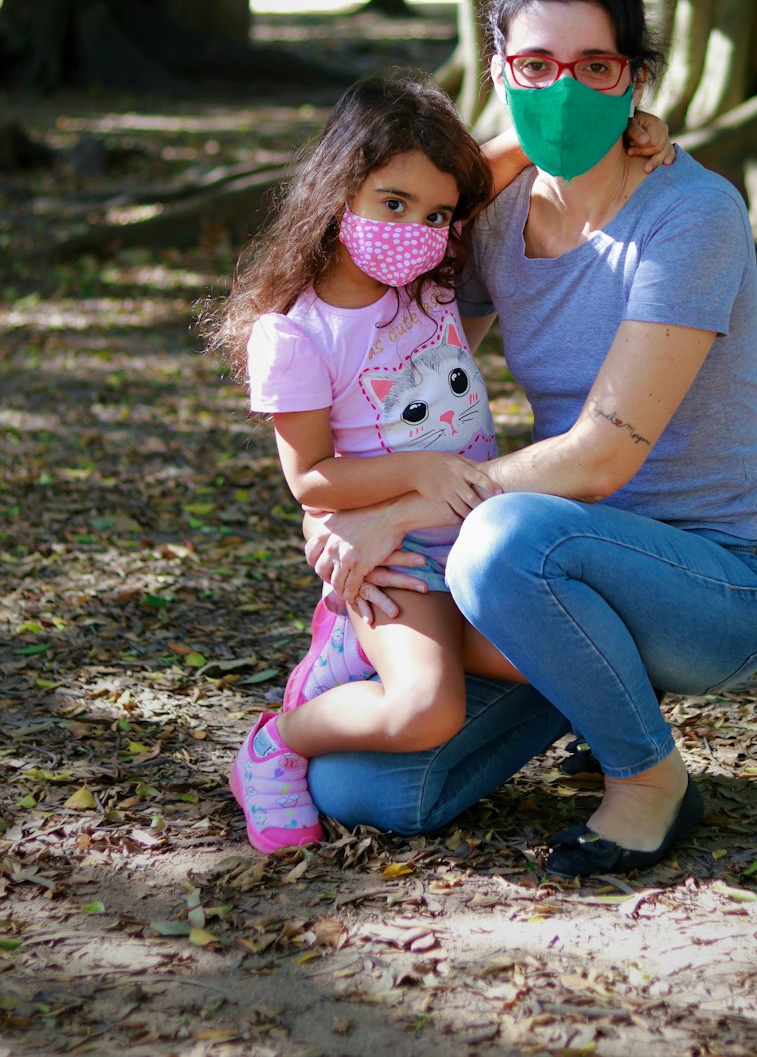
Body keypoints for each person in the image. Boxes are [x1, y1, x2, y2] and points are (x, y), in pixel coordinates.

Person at [302, 0, 757, 879]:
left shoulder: (692, 215)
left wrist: (402, 513)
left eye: (595, 67)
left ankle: (650, 779)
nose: (563, 89)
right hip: (546, 588)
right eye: (534, 66)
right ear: (498, 71)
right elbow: (387, 360)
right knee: (369, 793)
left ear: (634, 79)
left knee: (500, 538)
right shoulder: (490, 219)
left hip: (713, 582)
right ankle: (590, 695)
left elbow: (603, 457)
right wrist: (345, 520)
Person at [205, 70, 672, 855]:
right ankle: (278, 742)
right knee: (428, 710)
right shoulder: (295, 335)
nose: (417, 226)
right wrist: (420, 474)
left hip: (479, 536)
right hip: (398, 557)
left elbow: (476, 177)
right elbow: (309, 477)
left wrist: (598, 128)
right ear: (338, 188)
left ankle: (354, 659)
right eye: (393, 204)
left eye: (437, 216)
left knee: (563, 654)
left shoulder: (424, 273)